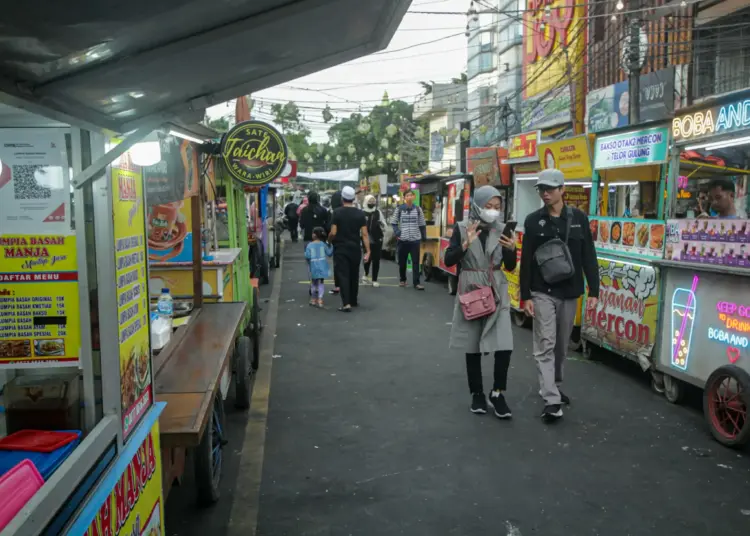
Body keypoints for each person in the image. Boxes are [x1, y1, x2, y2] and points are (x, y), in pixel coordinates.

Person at [519, 168, 599, 422]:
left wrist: (594, 290)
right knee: (546, 343)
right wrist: (526, 296)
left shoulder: (579, 219)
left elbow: (589, 255)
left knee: (562, 347)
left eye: (550, 189)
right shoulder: (533, 221)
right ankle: (551, 399)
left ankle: (554, 384)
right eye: (542, 189)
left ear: (562, 190)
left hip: (570, 292)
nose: (545, 193)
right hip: (542, 291)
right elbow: (527, 261)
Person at [445, 186, 517, 419]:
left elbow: (510, 266)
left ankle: (498, 393)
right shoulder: (462, 227)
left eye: (497, 207)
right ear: (478, 205)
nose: (493, 211)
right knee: (472, 344)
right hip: (472, 289)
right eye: (489, 206)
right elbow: (449, 259)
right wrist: (465, 244)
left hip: (497, 288)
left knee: (504, 343)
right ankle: (477, 393)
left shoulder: (503, 229)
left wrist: (512, 249)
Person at [328, 186, 370, 312]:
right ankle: (353, 300)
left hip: (341, 248)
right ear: (353, 198)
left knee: (343, 274)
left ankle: (346, 303)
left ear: (342, 198)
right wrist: (368, 251)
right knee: (354, 274)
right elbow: (364, 234)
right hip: (355, 248)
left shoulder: (337, 212)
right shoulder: (360, 213)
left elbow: (333, 232)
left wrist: (329, 240)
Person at [391, 189, 427, 290]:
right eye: (407, 196)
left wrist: (424, 237)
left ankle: (416, 283)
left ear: (414, 197)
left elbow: (422, 224)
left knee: (416, 262)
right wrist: (398, 232)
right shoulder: (399, 209)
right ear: (404, 198)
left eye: (411, 195)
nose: (409, 197)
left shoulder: (418, 209)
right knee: (402, 262)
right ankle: (403, 279)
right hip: (403, 240)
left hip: (415, 240)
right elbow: (393, 222)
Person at [304, 227, 333, 308]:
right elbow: (329, 253)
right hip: (322, 266)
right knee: (321, 282)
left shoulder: (310, 245)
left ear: (314, 235)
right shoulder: (323, 244)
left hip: (313, 266)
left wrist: (305, 253)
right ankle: (320, 299)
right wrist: (332, 246)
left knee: (313, 283)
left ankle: (313, 299)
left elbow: (307, 256)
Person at [361, 194, 385, 287]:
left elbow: (384, 225)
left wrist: (381, 225)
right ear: (366, 202)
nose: (372, 203)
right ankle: (366, 274)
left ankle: (375, 279)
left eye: (373, 201)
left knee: (376, 259)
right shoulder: (362, 213)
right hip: (365, 239)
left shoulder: (378, 212)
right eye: (370, 201)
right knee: (367, 258)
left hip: (377, 238)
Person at [328, 190, 343, 295]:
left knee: (338, 265)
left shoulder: (333, 213)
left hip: (337, 242)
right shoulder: (353, 211)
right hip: (351, 242)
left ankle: (338, 285)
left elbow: (332, 231)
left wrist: (328, 241)